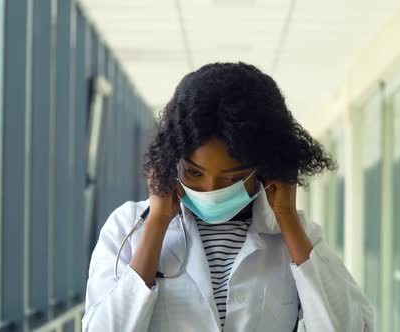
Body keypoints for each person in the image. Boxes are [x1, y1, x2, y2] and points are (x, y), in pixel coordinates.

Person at [82, 62, 374, 331]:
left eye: (233, 178)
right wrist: (157, 223)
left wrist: (286, 217)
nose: (211, 190)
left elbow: (350, 327)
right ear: (173, 161)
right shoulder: (128, 226)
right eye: (195, 173)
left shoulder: (295, 236)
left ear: (265, 168)